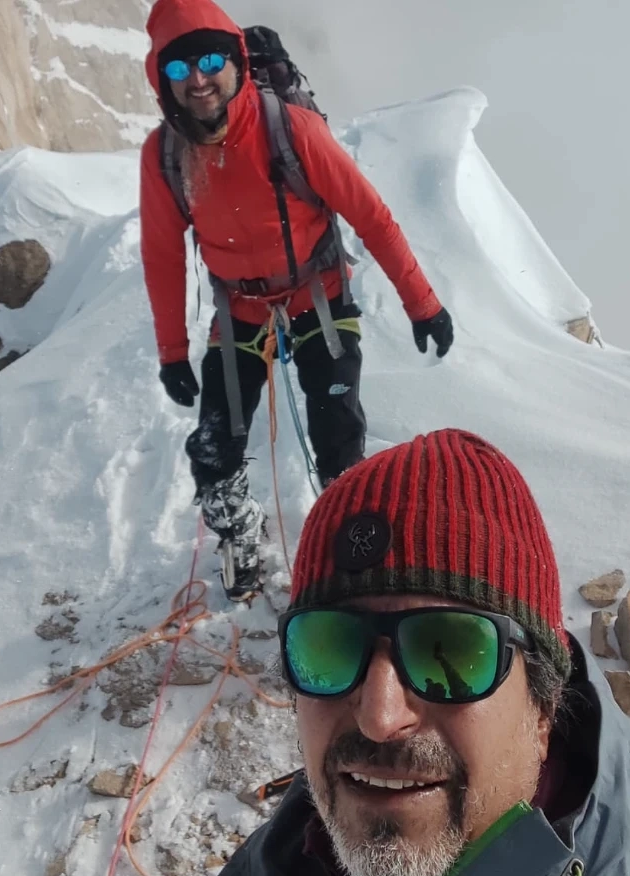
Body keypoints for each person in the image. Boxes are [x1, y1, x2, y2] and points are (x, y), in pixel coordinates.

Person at [207, 428, 630, 876]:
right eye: (330, 647)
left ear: (543, 710)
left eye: (453, 652)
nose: (378, 718)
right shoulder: (287, 856)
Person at [139, 0, 455, 602]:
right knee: (214, 447)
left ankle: (347, 549)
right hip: (239, 308)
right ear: (162, 79)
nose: (197, 79)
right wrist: (172, 353)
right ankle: (240, 532)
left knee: (337, 435)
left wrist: (423, 304)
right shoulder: (164, 156)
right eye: (179, 68)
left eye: (210, 62)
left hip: (319, 296)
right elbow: (161, 255)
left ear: (235, 62)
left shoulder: (291, 130)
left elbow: (372, 216)